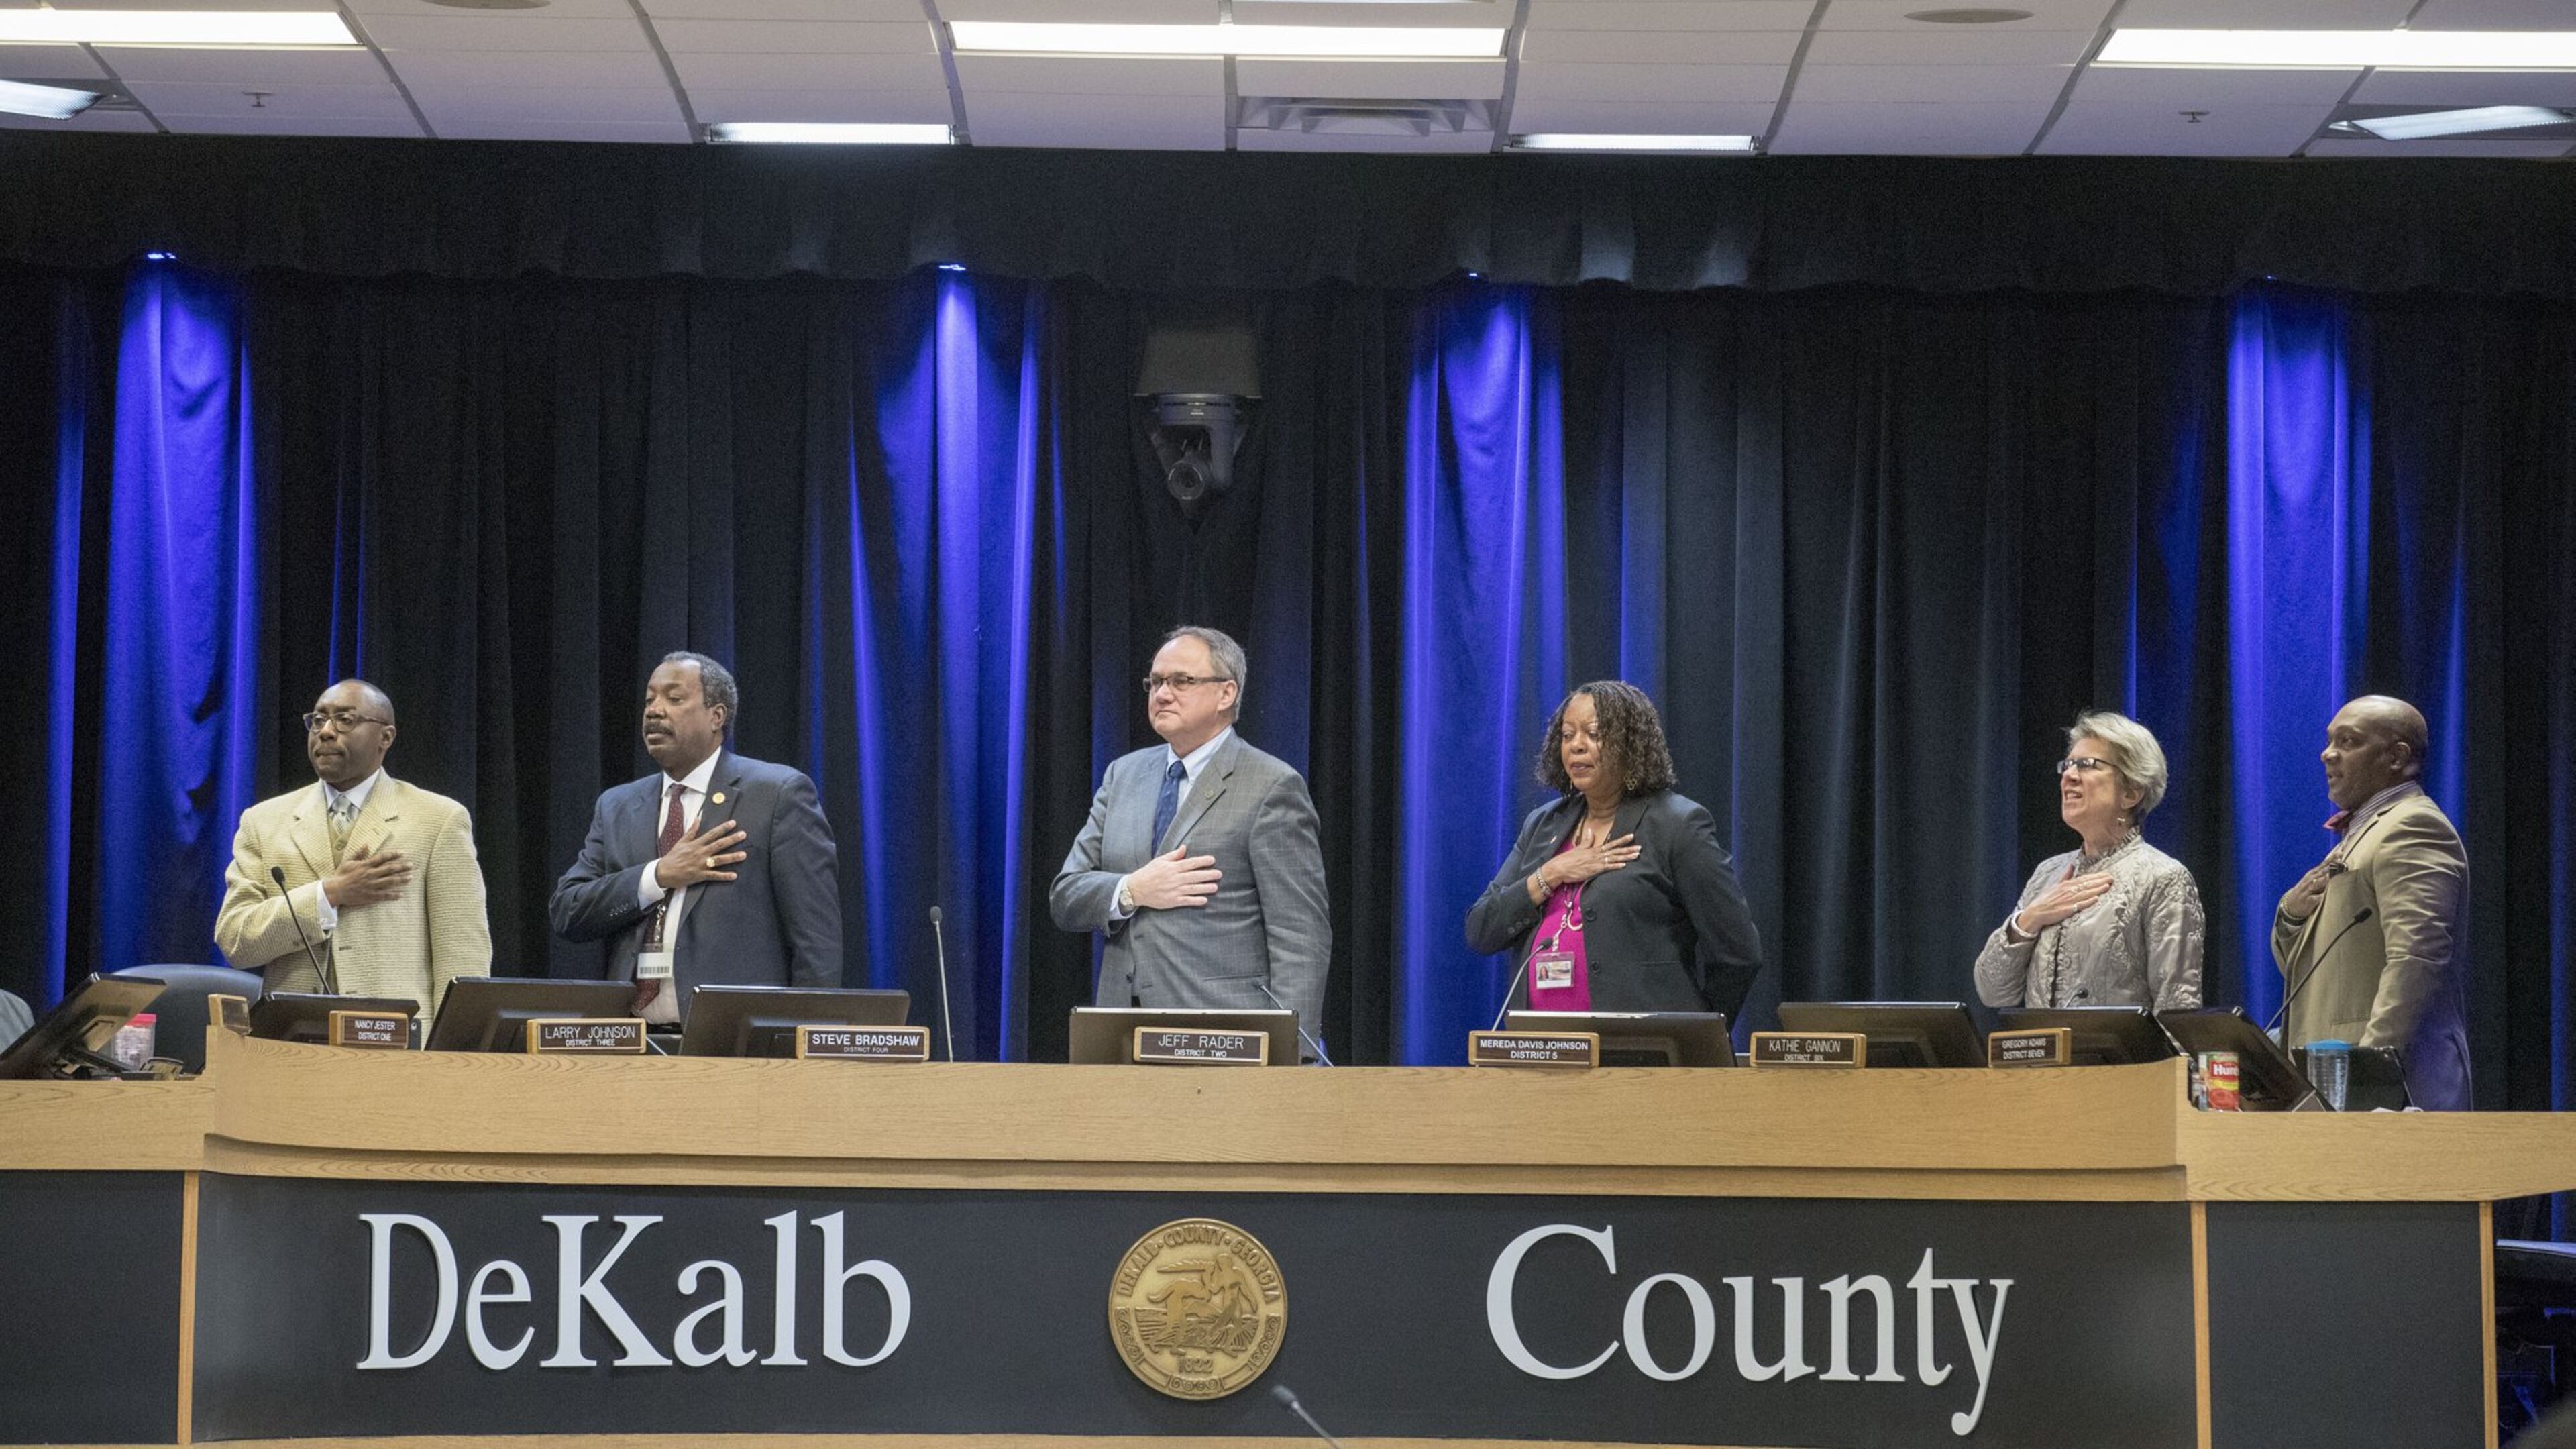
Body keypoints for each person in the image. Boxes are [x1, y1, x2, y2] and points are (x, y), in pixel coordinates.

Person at [1050, 625, 1331, 1042]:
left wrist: (1292, 1051)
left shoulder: (1272, 786)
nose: (1162, 693)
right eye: (1156, 681)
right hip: (1119, 1036)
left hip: (1225, 1038)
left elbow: (1300, 936)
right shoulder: (1122, 776)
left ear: (1226, 694)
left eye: (1182, 681)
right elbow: (1066, 896)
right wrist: (1131, 890)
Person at [550, 652, 843, 1022]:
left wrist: (805, 1041)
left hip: (734, 1043)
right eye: (650, 700)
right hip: (633, 1041)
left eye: (674, 699)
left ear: (716, 716)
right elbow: (568, 910)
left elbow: (816, 942)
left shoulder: (777, 795)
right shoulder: (618, 806)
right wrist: (658, 876)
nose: (655, 711)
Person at [1464, 680, 1764, 1019]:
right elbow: (1482, 929)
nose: (1577, 746)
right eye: (1567, 735)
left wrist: (1697, 1035)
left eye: (1593, 733)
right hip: (1542, 1052)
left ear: (1630, 743)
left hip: (1640, 1058)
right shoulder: (1543, 825)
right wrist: (1551, 873)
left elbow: (1738, 953)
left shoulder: (1677, 826)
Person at [212, 680, 492, 1022]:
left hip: (397, 1045)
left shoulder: (438, 820)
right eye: (317, 720)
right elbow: (235, 940)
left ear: (385, 737)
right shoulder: (263, 821)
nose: (326, 732)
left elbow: (462, 959)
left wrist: (451, 1061)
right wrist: (328, 894)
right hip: (293, 1046)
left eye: (345, 720)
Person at [2273, 694, 2471, 1110]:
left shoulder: (2413, 827)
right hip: (2335, 1081)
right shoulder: (2357, 837)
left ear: (2397, 756)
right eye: (2330, 741)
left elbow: (2417, 962)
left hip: (2390, 1091)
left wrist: (2367, 1071)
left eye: (2348, 742)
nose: (2328, 754)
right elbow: (2311, 969)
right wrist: (2292, 915)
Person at [1974, 711, 2204, 1012]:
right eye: (2067, 765)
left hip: (2120, 1060)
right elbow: (1992, 992)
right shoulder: (2048, 873)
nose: (2069, 776)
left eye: (2087, 765)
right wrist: (2030, 919)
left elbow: (2177, 1010)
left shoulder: (2164, 878)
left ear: (2131, 792)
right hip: (2038, 1058)